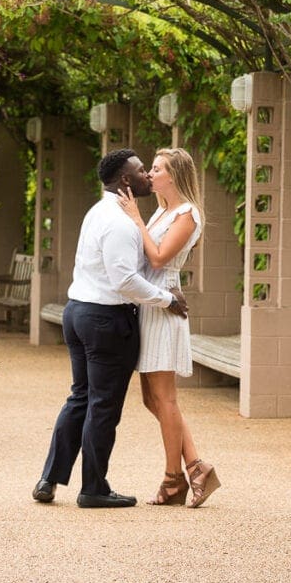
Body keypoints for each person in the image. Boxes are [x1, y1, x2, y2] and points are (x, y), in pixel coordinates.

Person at [32, 148, 188, 509]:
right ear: (125, 181)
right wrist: (167, 299)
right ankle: (94, 489)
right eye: (140, 171)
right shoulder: (119, 221)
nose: (147, 176)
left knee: (81, 398)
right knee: (102, 406)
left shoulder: (98, 211)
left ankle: (49, 478)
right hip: (105, 320)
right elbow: (125, 282)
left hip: (79, 313)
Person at [117, 147, 221, 508]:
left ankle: (173, 478)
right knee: (152, 398)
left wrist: (135, 219)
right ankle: (195, 465)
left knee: (165, 397)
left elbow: (159, 258)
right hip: (150, 304)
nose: (150, 174)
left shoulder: (187, 214)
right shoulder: (162, 210)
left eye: (157, 169)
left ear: (174, 176)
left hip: (165, 306)